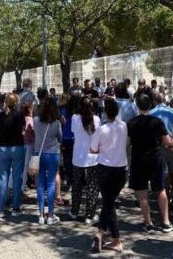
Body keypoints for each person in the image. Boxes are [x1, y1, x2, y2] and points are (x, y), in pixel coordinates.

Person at [128, 94, 173, 234]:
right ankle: (166, 222)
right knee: (160, 189)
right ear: (150, 105)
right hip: (156, 158)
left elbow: (127, 142)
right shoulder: (157, 122)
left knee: (142, 192)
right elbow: (167, 142)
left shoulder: (131, 123)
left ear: (137, 106)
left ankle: (148, 223)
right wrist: (171, 143)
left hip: (138, 159)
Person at [90, 99, 127, 253]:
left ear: (105, 112)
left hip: (105, 169)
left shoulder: (101, 129)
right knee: (108, 202)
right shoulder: (124, 126)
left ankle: (113, 238)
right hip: (121, 170)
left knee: (108, 203)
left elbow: (92, 149)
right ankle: (102, 233)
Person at [69, 96, 100, 224]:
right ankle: (89, 215)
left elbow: (73, 131)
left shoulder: (75, 118)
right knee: (92, 188)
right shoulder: (97, 119)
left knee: (76, 186)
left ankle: (74, 211)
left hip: (78, 157)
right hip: (92, 158)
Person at [0, 93, 26, 218]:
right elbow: (23, 129)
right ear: (16, 103)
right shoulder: (19, 115)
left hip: (3, 148)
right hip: (17, 147)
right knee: (17, 177)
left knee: (3, 178)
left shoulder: (0, 115)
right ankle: (15, 207)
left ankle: (1, 209)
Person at [34, 96, 62, 225]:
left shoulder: (36, 120)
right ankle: (51, 215)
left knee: (40, 184)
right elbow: (60, 138)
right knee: (51, 183)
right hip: (53, 153)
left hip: (39, 153)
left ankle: (40, 215)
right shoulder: (56, 122)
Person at [150, 92, 173, 200]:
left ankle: (166, 198)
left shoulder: (151, 113)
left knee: (164, 173)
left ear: (154, 100)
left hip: (159, 146)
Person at [59, 93, 74, 188]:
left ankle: (67, 178)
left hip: (63, 137)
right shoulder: (73, 110)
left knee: (66, 159)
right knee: (72, 158)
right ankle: (72, 179)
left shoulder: (59, 110)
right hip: (72, 137)